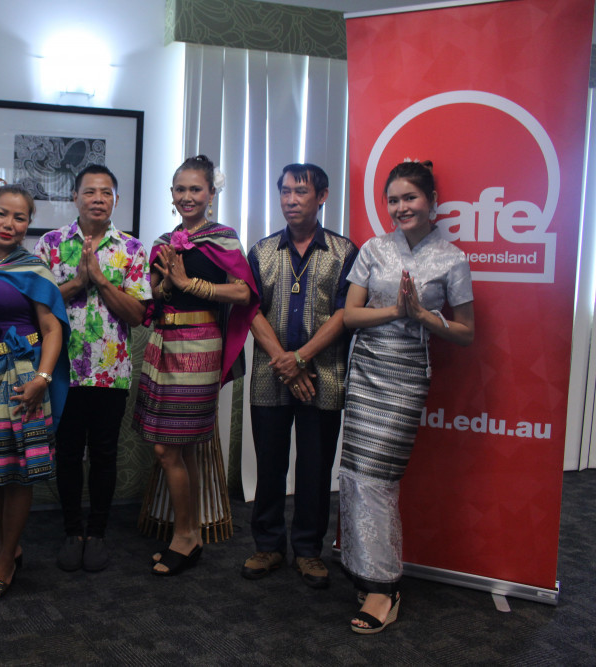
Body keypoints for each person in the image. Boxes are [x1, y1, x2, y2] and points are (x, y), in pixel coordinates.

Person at [340, 160, 474, 634]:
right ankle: (365, 572)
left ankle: (385, 587)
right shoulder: (374, 250)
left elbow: (465, 332)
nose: (401, 207)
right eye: (393, 200)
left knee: (378, 477)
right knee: (355, 474)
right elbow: (350, 317)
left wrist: (423, 316)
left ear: (432, 200)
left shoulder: (453, 259)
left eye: (410, 198)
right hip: (367, 372)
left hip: (405, 377)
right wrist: (395, 311)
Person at [134, 155, 257, 576]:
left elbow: (243, 293)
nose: (187, 197)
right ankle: (189, 535)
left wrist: (191, 284)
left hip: (200, 346)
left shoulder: (223, 239)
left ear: (211, 194)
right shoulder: (164, 241)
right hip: (162, 345)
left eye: (195, 189)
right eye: (180, 190)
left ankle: (186, 535)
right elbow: (156, 296)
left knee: (168, 447)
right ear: (172, 194)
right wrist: (169, 282)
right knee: (173, 447)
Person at [242, 163, 358, 589]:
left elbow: (345, 313)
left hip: (324, 375)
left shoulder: (345, 252)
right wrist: (285, 363)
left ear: (322, 196)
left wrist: (302, 359)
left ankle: (309, 550)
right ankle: (268, 546)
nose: (291, 200)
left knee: (314, 466)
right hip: (271, 374)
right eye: (285, 192)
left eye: (301, 192)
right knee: (270, 464)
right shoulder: (263, 251)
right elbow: (250, 310)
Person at [34, 165, 151, 573]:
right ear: (75, 197)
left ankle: (97, 532)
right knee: (66, 453)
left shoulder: (132, 249)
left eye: (106, 192)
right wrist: (78, 282)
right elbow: (38, 308)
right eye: (90, 191)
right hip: (61, 369)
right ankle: (72, 531)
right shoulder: (50, 245)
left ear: (116, 199)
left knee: (103, 453)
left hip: (109, 370)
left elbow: (137, 315)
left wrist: (100, 280)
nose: (98, 198)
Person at [0, 184, 70, 598]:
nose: (9, 224)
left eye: (19, 217)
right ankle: (8, 545)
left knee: (19, 473)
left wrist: (41, 380)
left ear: (28, 223)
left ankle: (7, 556)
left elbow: (52, 330)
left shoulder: (34, 269)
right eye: (1, 214)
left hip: (23, 377)